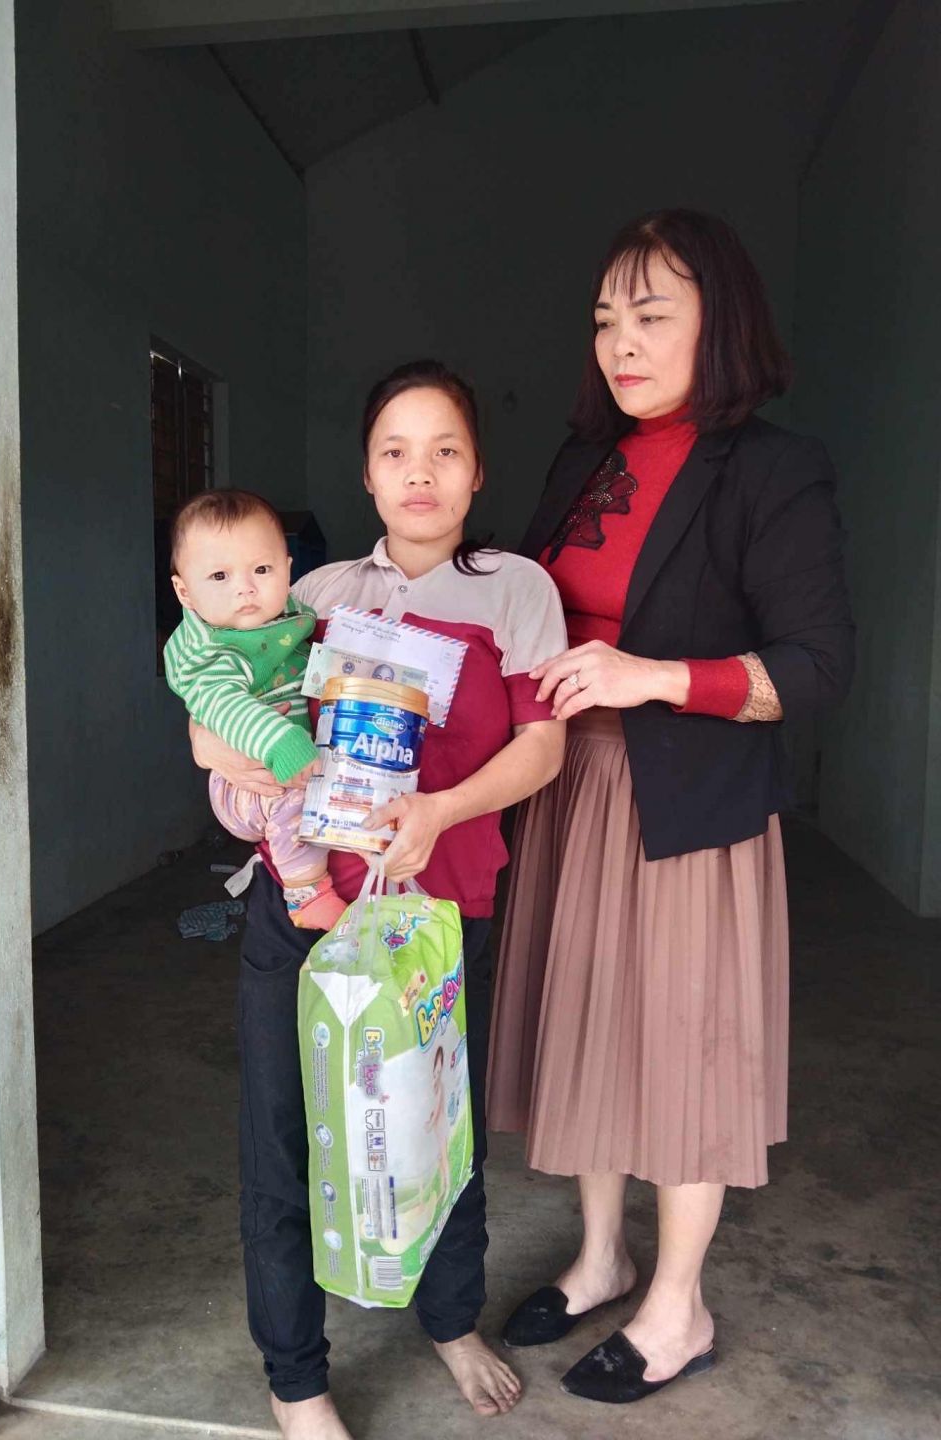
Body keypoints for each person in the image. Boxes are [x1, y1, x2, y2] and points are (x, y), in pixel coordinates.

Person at [487, 209, 854, 1405]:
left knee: (681, 1049)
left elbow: (815, 667)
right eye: (606, 320)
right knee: (589, 1026)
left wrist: (650, 678)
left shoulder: (774, 470)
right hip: (569, 792)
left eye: (651, 316)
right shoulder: (585, 458)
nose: (621, 344)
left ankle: (678, 1304)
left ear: (721, 324)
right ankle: (600, 1256)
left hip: (686, 806)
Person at [189, 360, 567, 1440]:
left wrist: (440, 809)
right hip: (305, 913)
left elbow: (543, 747)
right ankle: (296, 1379)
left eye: (445, 451)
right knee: (283, 1140)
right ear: (367, 473)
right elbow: (211, 702)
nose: (420, 473)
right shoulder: (312, 596)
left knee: (440, 1129)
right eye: (396, 452)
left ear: (477, 472)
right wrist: (239, 759)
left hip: (441, 915)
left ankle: (450, 1321)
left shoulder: (515, 591)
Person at [164, 489, 346, 930]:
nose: (245, 587)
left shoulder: (284, 616)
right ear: (185, 592)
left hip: (283, 767)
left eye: (262, 570)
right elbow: (222, 705)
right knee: (295, 795)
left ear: (288, 569)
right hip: (246, 783)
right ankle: (306, 893)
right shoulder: (212, 651)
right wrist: (283, 743)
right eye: (219, 576)